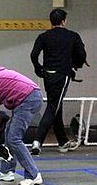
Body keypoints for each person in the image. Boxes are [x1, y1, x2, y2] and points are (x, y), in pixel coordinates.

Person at [30, 8, 87, 155]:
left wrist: (38, 69)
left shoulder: (43, 36)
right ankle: (37, 141)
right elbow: (82, 54)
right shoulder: (73, 36)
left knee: (56, 105)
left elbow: (34, 54)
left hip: (48, 74)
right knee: (53, 106)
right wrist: (75, 65)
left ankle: (62, 142)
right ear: (64, 21)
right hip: (62, 75)